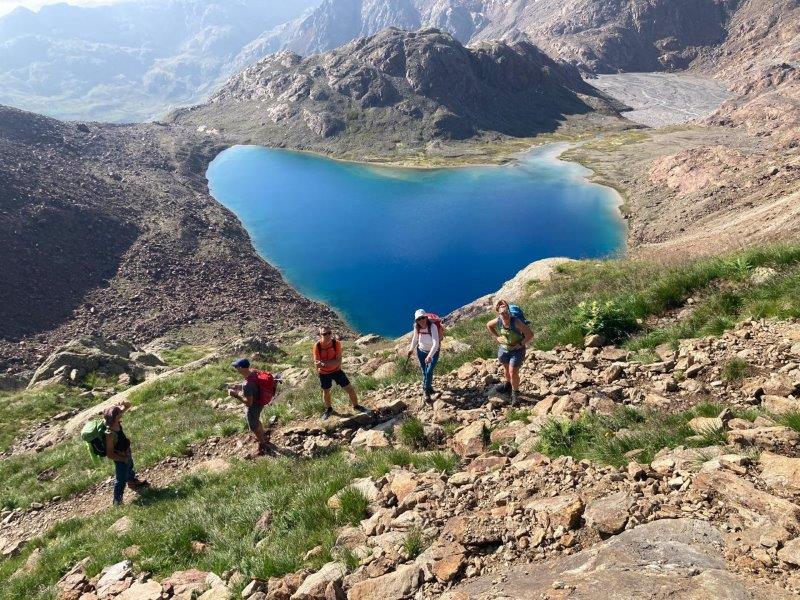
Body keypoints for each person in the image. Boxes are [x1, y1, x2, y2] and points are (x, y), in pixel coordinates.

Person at [313, 327, 368, 420]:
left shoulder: (336, 343)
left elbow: (338, 361)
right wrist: (326, 364)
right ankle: (329, 409)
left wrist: (324, 363)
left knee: (350, 389)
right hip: (324, 373)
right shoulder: (317, 346)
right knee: (326, 392)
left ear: (331, 333)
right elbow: (317, 363)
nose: (327, 335)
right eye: (324, 334)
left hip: (337, 371)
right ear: (320, 335)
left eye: (329, 333)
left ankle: (356, 406)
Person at [486, 299, 534, 405]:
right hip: (504, 349)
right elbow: (488, 325)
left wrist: (520, 344)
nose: (505, 315)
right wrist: (497, 337)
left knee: (513, 372)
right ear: (499, 314)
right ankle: (508, 385)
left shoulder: (516, 322)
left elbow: (530, 334)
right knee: (506, 369)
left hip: (517, 350)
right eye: (502, 313)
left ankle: (515, 393)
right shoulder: (498, 320)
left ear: (509, 312)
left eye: (506, 312)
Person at [104, 401, 148, 506]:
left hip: (126, 452)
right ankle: (117, 502)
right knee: (120, 480)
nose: (121, 413)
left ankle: (132, 481)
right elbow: (110, 454)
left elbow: (128, 405)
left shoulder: (116, 421)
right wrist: (122, 459)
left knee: (130, 465)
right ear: (115, 417)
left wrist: (124, 403)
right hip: (120, 457)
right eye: (119, 413)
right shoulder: (109, 433)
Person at [228, 358, 271, 455]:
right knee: (256, 420)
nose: (235, 369)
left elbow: (248, 403)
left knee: (253, 426)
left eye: (236, 367)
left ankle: (263, 444)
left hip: (254, 406)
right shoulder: (253, 372)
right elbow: (254, 385)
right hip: (260, 400)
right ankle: (263, 435)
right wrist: (239, 386)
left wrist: (235, 395)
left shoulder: (247, 385)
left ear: (241, 368)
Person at [407, 309, 441, 401]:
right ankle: (429, 388)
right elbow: (415, 339)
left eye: (423, 318)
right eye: (419, 319)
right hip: (421, 351)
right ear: (416, 321)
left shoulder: (432, 326)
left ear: (426, 317)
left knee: (429, 371)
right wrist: (411, 349)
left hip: (433, 352)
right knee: (424, 371)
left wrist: (430, 355)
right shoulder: (416, 327)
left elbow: (436, 343)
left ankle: (426, 391)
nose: (421, 321)